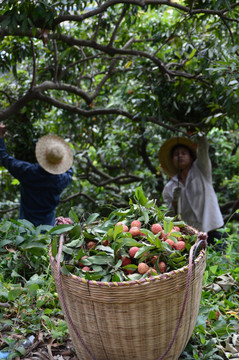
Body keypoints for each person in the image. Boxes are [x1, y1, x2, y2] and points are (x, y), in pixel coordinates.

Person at [158, 135, 226, 248]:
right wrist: (174, 206)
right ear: (172, 160)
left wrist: (199, 134)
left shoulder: (201, 171)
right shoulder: (169, 188)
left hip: (214, 229)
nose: (180, 156)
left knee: (220, 262)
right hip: (193, 236)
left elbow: (203, 148)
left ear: (191, 157)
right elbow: (171, 218)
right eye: (176, 154)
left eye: (184, 153)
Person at [0, 122, 73, 226]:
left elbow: (4, 158)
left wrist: (0, 136)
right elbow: (69, 172)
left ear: (44, 154)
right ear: (60, 163)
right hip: (47, 231)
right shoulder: (61, 180)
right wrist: (63, 157)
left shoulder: (27, 172)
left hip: (25, 229)